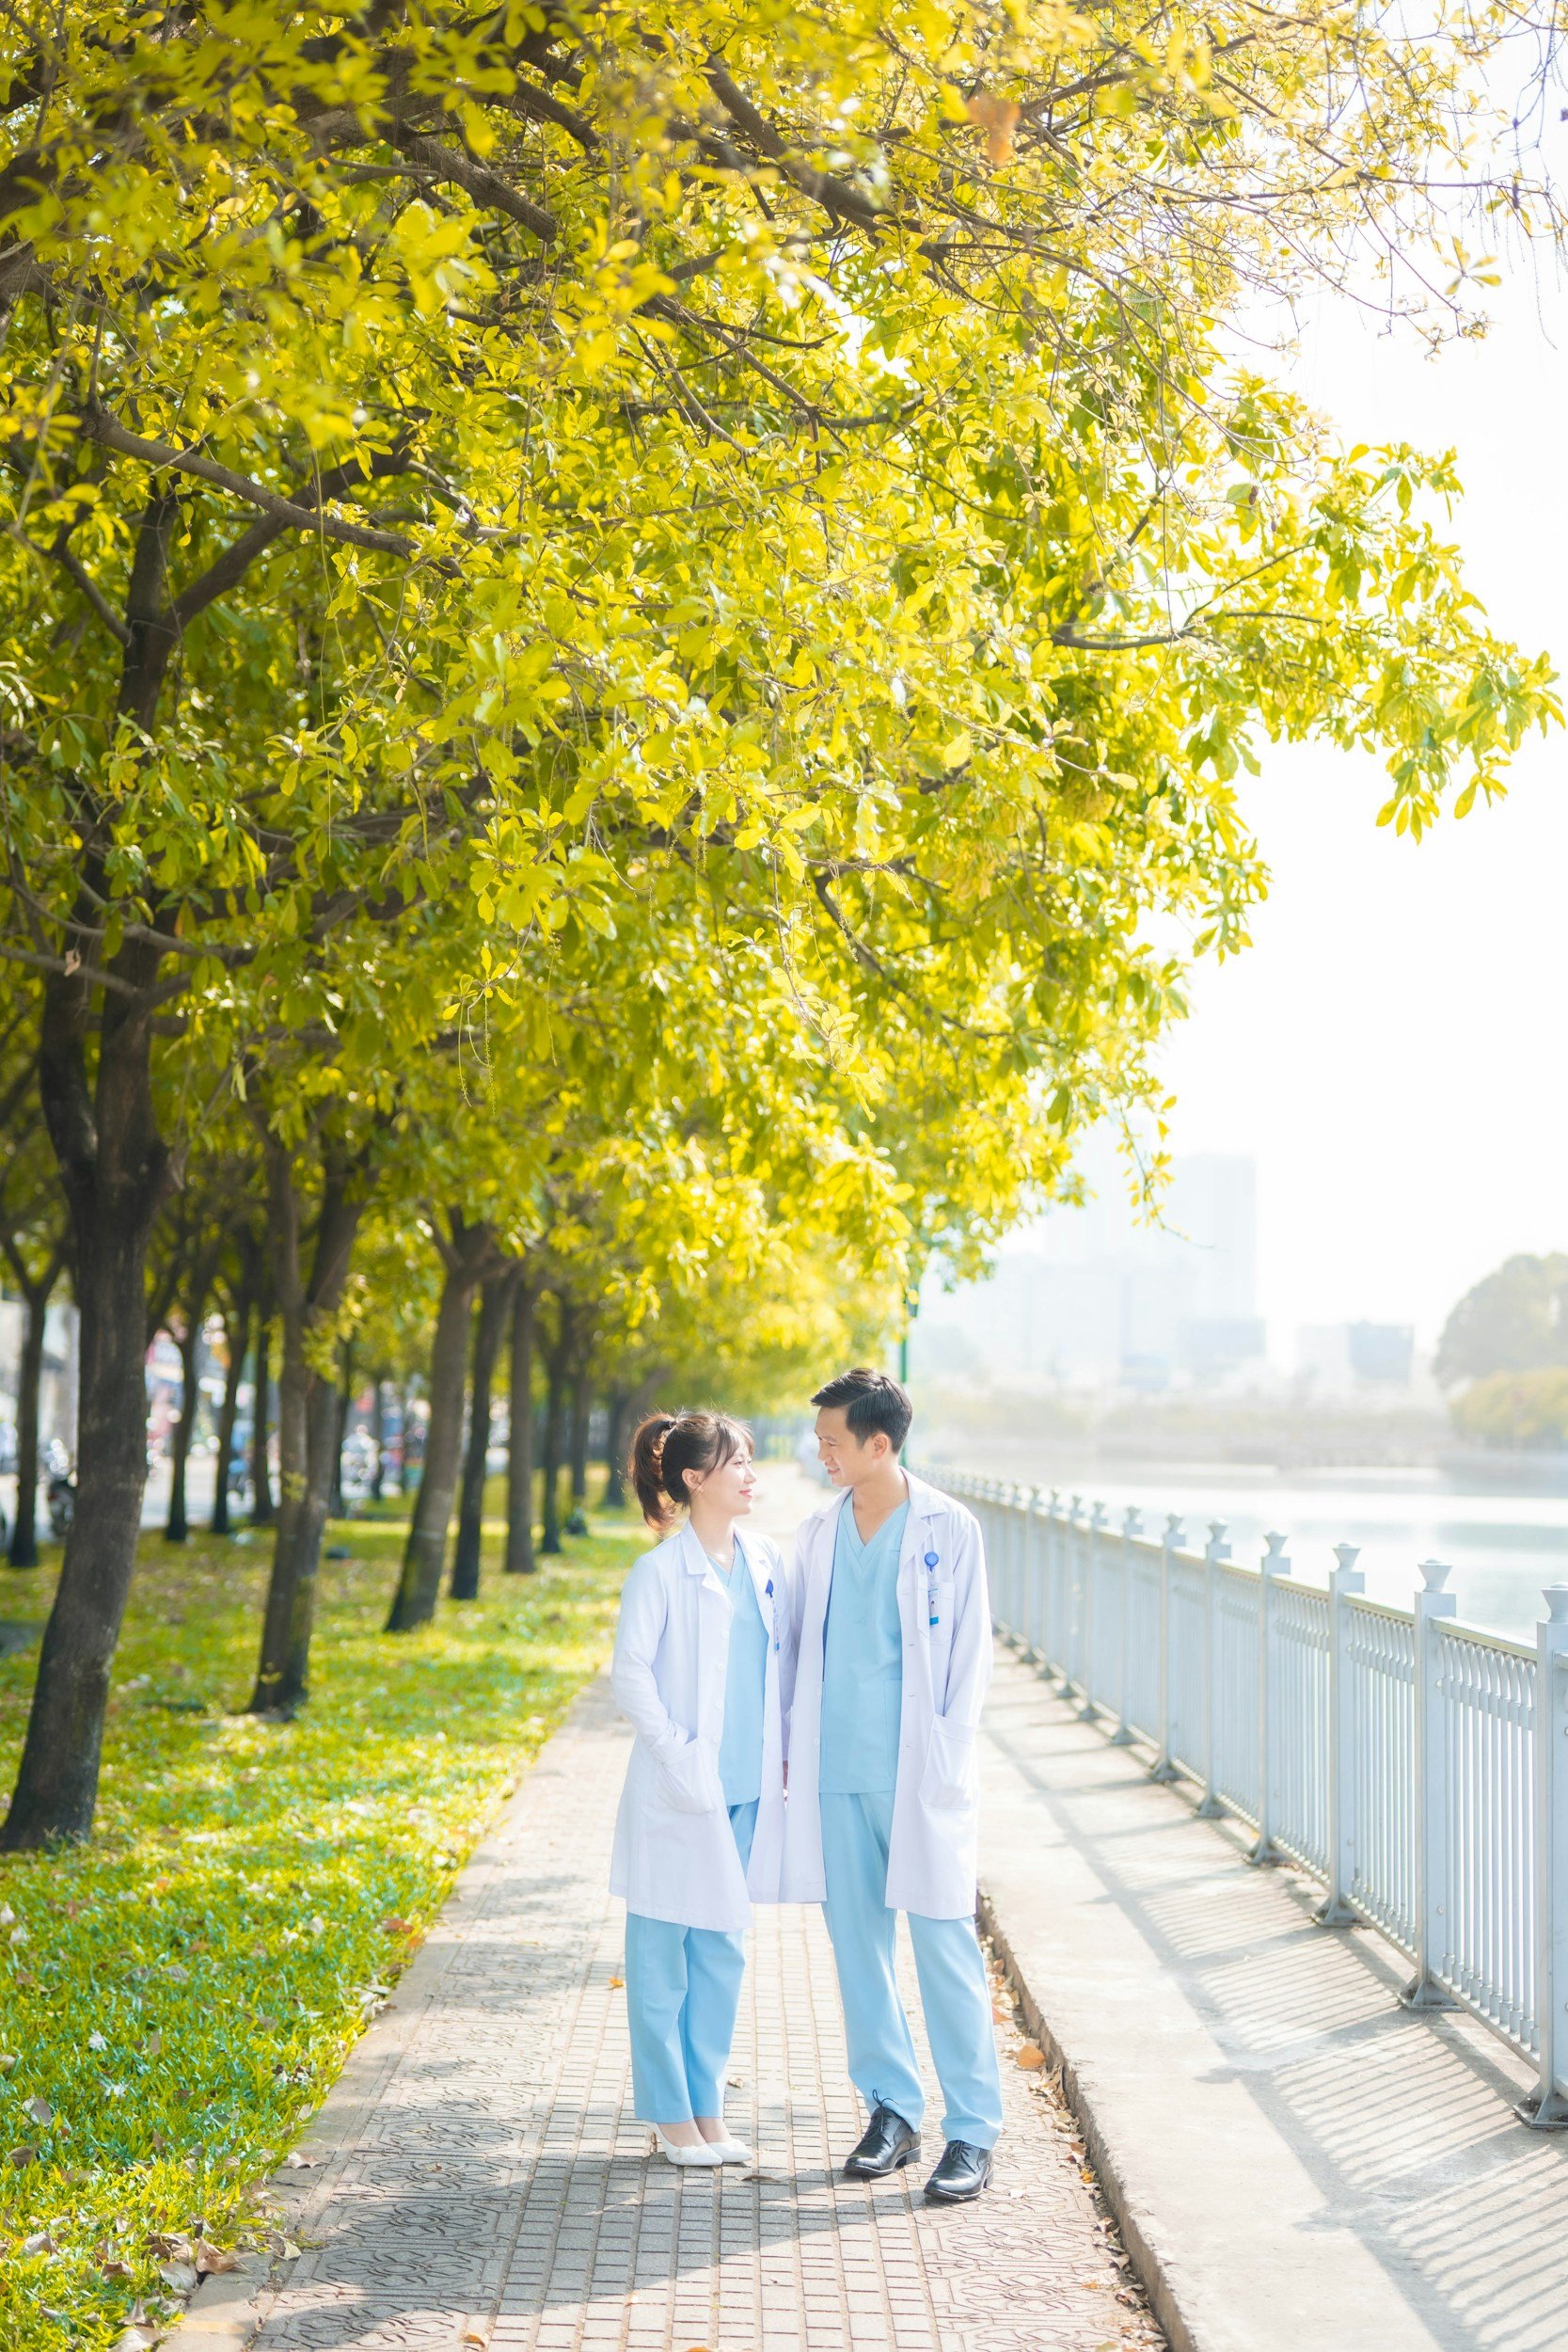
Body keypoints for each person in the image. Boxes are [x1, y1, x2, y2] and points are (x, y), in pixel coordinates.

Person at [782, 1366, 1003, 2203]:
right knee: (859, 1953)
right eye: (819, 1440)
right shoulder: (815, 1532)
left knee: (946, 1947)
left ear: (880, 1444)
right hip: (837, 1770)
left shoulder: (951, 1528)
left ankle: (973, 2131)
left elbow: (969, 1659)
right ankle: (891, 2111)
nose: (821, 1452)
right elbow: (797, 1647)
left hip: (919, 1773)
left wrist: (947, 1753)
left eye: (833, 1440)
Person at [610, 1409, 792, 2168]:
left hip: (746, 1790)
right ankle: (668, 2115)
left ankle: (707, 2107)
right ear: (693, 1478)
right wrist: (680, 1755)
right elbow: (630, 1675)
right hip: (681, 1790)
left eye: (750, 1461)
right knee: (661, 1957)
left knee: (721, 1952)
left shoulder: (765, 1560)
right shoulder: (659, 1571)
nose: (751, 1475)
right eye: (737, 1462)